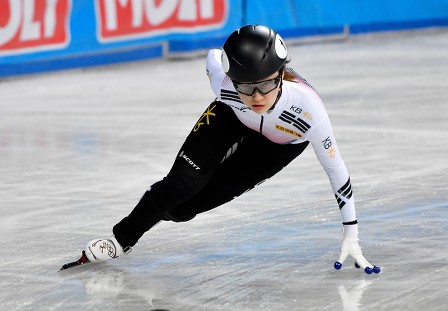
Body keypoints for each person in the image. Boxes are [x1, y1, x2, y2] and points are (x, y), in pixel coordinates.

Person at [83, 25, 380, 274]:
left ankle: (159, 202)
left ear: (280, 75)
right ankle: (121, 240)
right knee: (181, 185)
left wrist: (350, 231)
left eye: (265, 85)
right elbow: (214, 56)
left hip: (277, 145)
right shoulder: (223, 83)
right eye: (246, 87)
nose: (257, 96)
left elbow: (336, 170)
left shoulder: (308, 111)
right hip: (230, 116)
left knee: (184, 209)